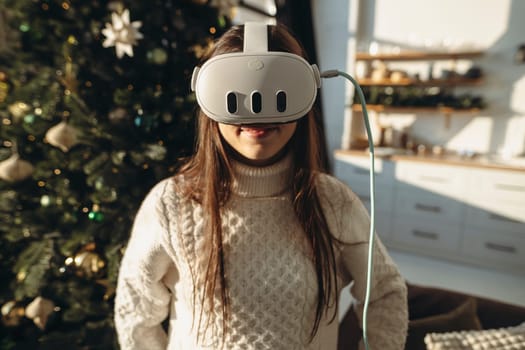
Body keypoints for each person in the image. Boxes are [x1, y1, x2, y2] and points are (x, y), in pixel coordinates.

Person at [114, 23, 408, 350]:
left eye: (276, 91)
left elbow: (386, 290)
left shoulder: (332, 202)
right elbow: (135, 309)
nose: (256, 109)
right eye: (235, 95)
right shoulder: (171, 204)